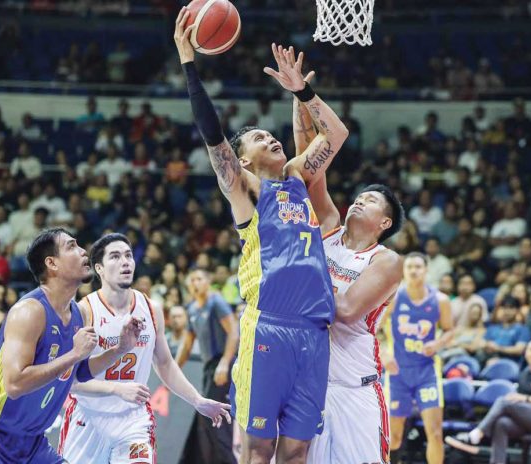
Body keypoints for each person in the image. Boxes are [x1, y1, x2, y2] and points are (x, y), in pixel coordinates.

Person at [173, 7, 349, 463]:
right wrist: (189, 65)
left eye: (272, 136)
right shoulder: (245, 192)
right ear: (244, 160)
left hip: (314, 333)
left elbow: (336, 132)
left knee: (295, 455)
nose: (271, 139)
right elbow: (213, 136)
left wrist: (303, 91)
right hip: (267, 325)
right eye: (258, 140)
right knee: (257, 453)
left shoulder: (297, 177)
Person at [0, 228, 142, 463]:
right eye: (72, 246)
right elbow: (15, 383)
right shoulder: (29, 311)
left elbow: (78, 373)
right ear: (52, 263)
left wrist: (119, 349)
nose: (83, 251)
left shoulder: (79, 314)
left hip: (33, 444)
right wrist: (75, 354)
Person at [58, 233, 231, 464]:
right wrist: (116, 389)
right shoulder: (84, 311)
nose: (125, 262)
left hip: (133, 419)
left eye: (128, 255)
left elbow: (165, 364)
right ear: (99, 268)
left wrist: (197, 400)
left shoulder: (151, 308)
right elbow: (72, 382)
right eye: (116, 256)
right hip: (88, 417)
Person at [303, 101, 404, 463]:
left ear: (385, 223)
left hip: (353, 391)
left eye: (373, 200)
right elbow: (308, 172)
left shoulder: (387, 261)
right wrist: (300, 99)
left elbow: (344, 311)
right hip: (310, 388)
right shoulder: (329, 231)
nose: (362, 199)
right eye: (361, 195)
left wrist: (305, 266)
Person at [380, 253, 454, 464]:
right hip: (397, 373)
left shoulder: (441, 300)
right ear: (404, 271)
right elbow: (374, 329)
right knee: (393, 437)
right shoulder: (393, 299)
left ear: (426, 270)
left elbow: (449, 331)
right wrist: (384, 354)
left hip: (427, 372)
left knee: (435, 434)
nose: (413, 271)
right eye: (409, 267)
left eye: (418, 267)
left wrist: (438, 344)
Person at [446, 339, 531, 464]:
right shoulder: (524, 374)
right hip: (525, 420)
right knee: (501, 423)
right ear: (526, 353)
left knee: (504, 401)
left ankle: (478, 433)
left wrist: (525, 399)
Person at [177, 269, 239, 464]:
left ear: (208, 282)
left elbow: (234, 333)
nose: (196, 282)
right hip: (208, 368)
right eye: (192, 279)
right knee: (206, 421)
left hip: (223, 365)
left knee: (216, 420)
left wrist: (224, 362)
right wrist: (172, 370)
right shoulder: (193, 309)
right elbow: (186, 345)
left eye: (199, 278)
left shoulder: (216, 302)